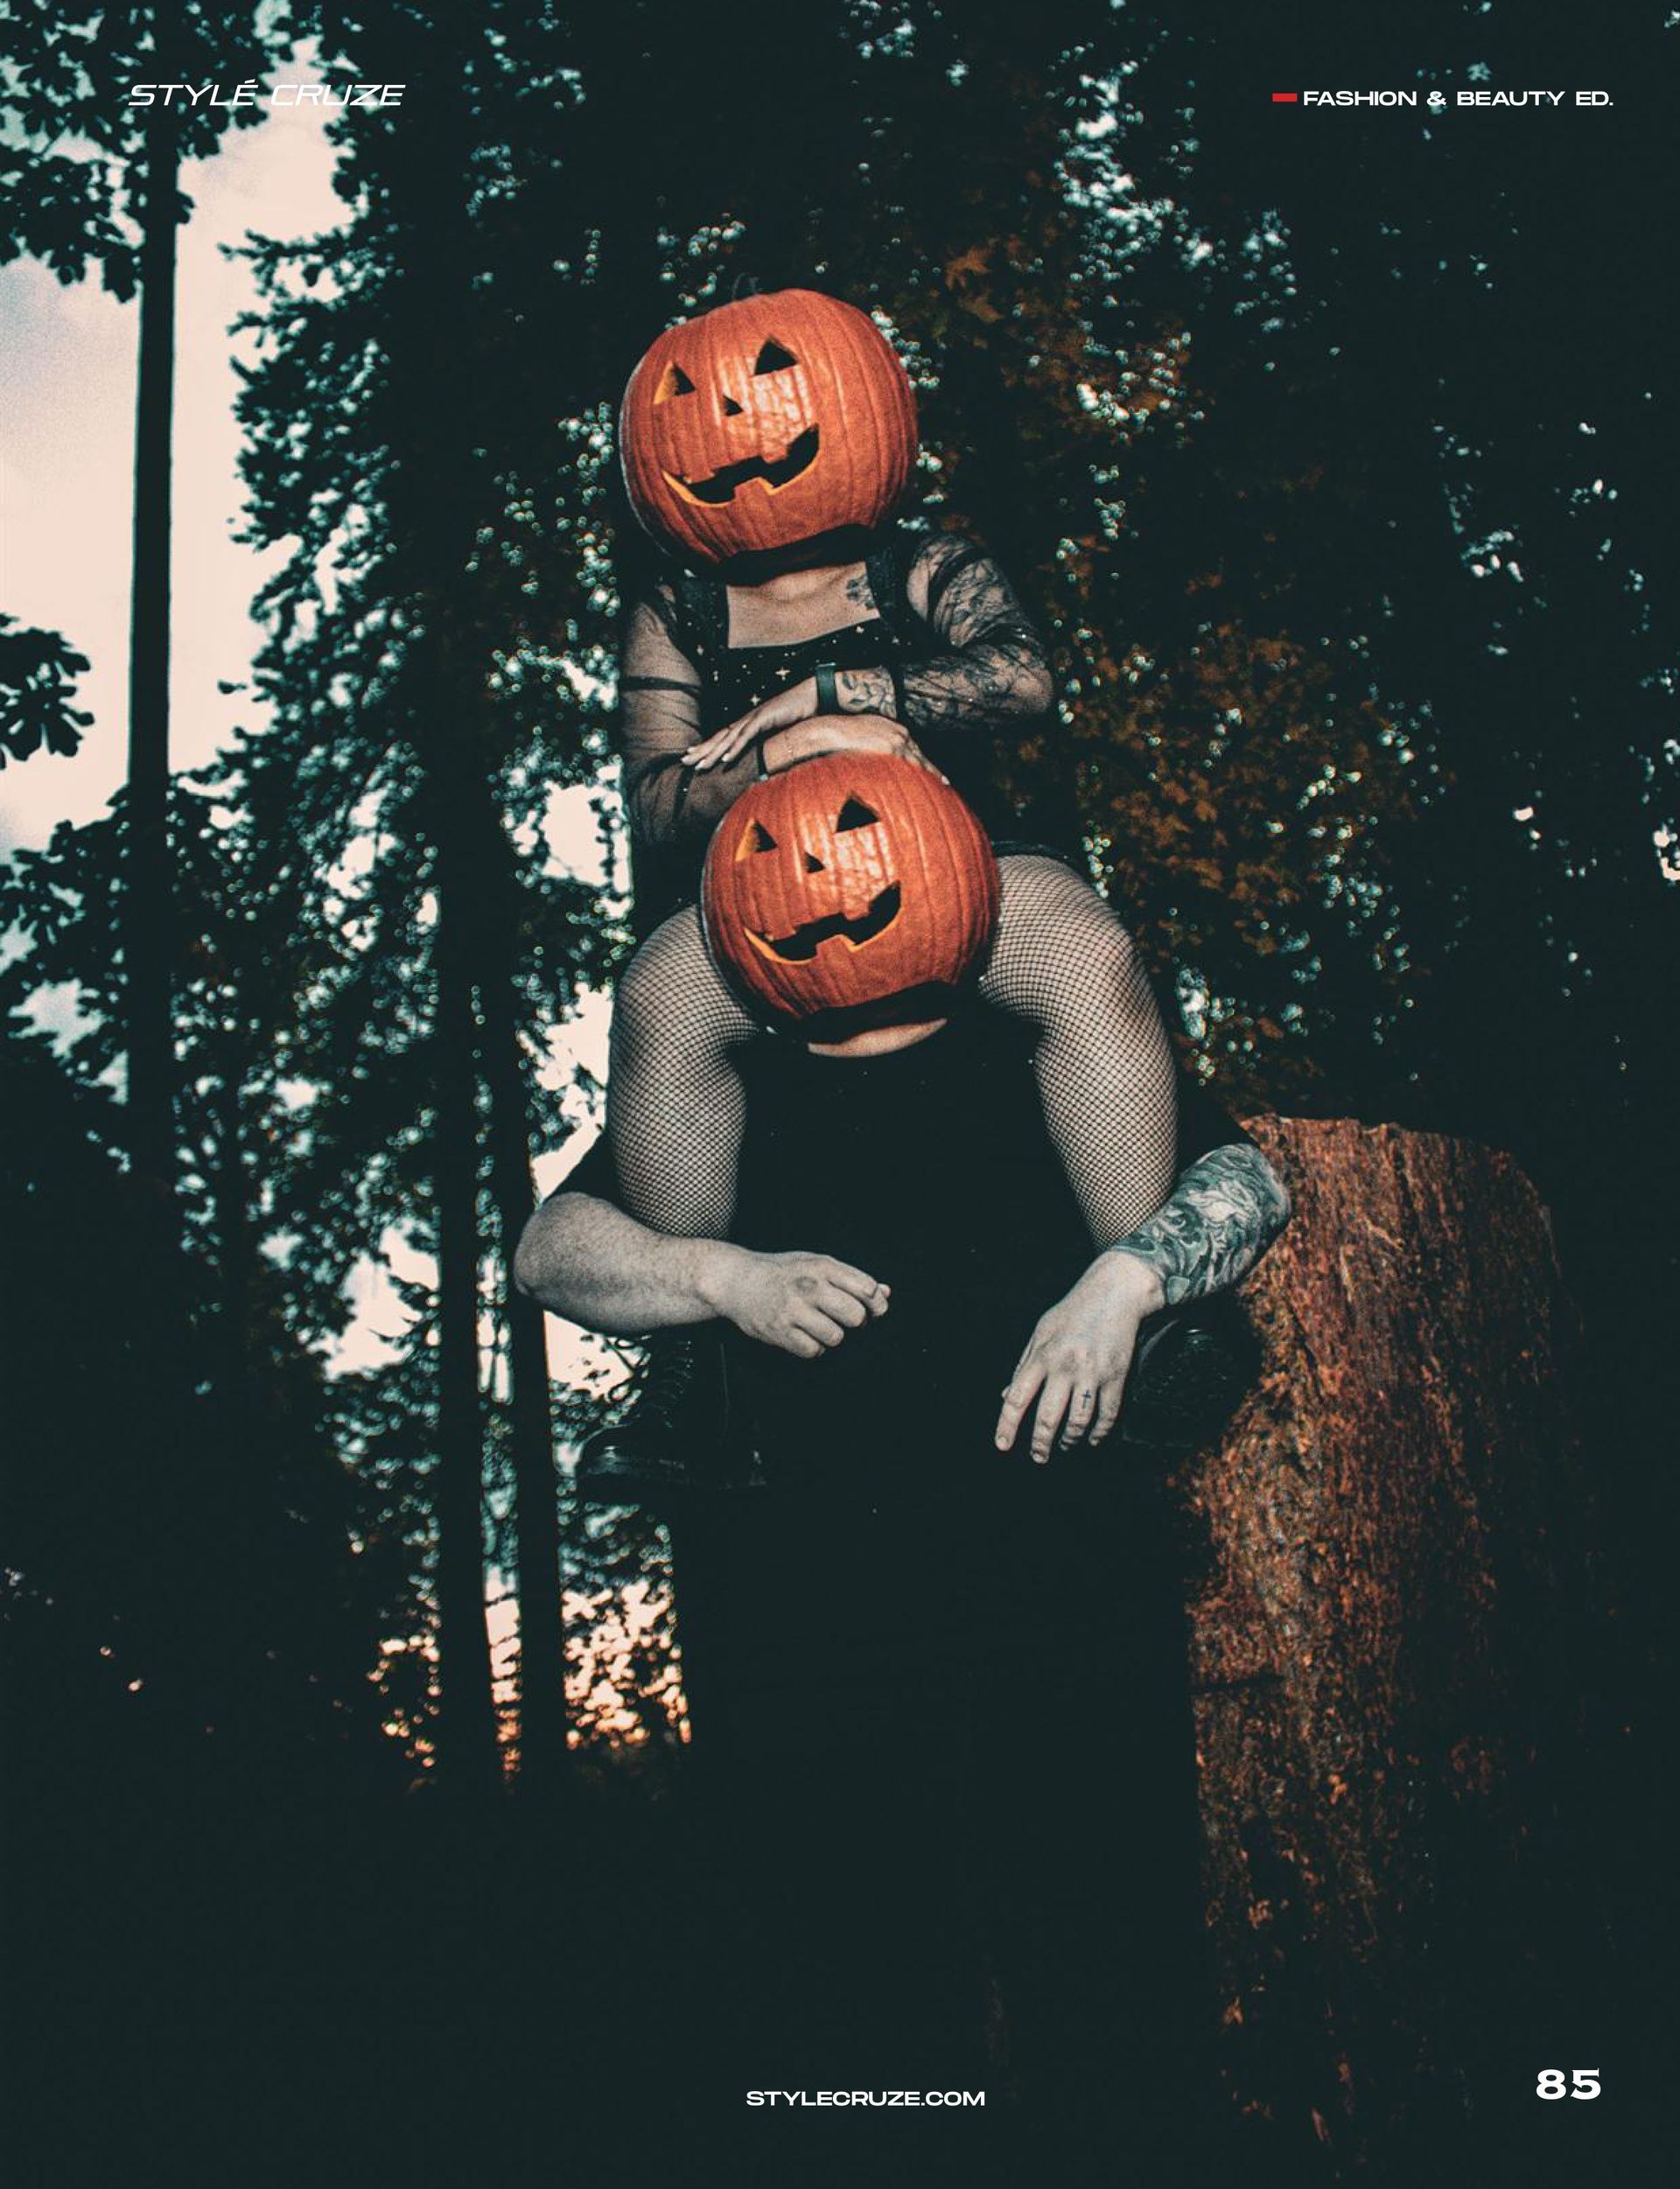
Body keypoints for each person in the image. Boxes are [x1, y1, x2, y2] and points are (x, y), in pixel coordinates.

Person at [599, 287, 1186, 1478]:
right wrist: (780, 756)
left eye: (778, 380)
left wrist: (841, 700)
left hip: (966, 858)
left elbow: (1023, 683)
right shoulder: (675, 612)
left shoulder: (922, 567)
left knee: (1087, 954)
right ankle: (691, 1373)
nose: (742, 425)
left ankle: (1159, 1315)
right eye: (691, 405)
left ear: (859, 399)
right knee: (661, 993)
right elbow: (657, 802)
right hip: (766, 899)